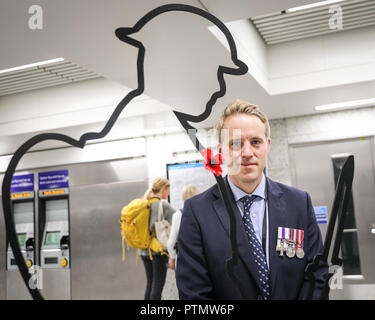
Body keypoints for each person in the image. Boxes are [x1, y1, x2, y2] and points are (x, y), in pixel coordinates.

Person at [176, 99, 328, 300]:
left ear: (268, 146)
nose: (247, 153)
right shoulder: (197, 212)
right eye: (236, 144)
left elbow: (317, 275)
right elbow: (193, 293)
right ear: (221, 150)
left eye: (255, 142)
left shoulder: (299, 203)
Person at [140, 178, 176, 300]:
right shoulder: (163, 205)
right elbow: (179, 220)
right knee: (158, 285)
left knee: (150, 283)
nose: (169, 193)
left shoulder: (145, 203)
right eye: (168, 190)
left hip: (144, 251)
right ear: (163, 189)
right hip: (157, 250)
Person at [167, 184, 200, 270]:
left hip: (184, 261)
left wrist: (172, 258)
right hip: (202, 260)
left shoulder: (178, 215)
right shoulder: (204, 213)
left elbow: (171, 242)